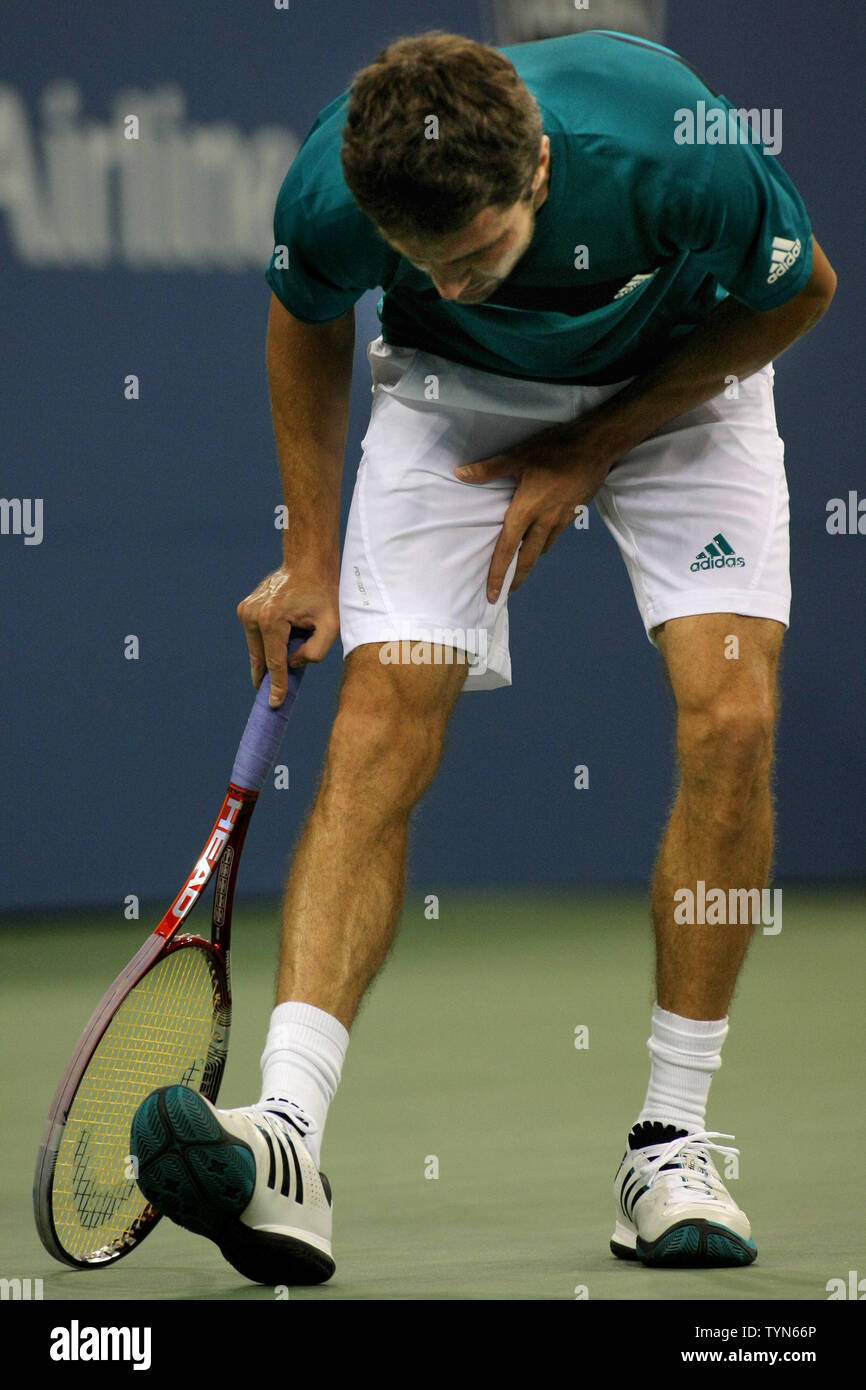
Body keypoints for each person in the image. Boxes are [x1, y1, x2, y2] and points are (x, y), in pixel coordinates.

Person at [131, 28, 835, 1286]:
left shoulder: (677, 154)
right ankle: (287, 1137)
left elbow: (799, 294)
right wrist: (308, 554)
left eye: (477, 254)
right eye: (420, 261)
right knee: (379, 716)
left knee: (729, 716)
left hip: (679, 388)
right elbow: (307, 318)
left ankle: (670, 1143)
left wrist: (592, 446)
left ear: (540, 182)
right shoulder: (338, 184)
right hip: (454, 398)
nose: (450, 280)